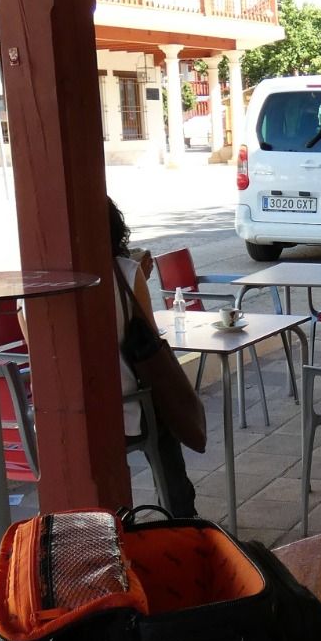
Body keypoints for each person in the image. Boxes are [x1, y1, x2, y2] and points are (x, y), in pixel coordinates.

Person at [109, 200, 199, 517]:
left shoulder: (33, 289)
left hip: (60, 420)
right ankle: (181, 515)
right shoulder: (125, 272)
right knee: (162, 423)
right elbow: (148, 337)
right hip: (124, 405)